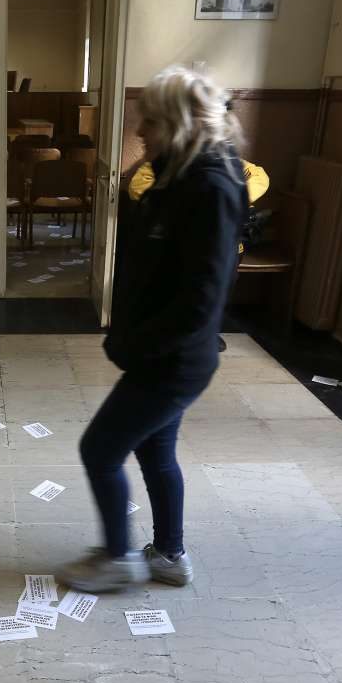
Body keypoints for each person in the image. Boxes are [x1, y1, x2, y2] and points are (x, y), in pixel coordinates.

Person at [57, 66, 250, 592]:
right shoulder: (178, 175)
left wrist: (136, 345)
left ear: (181, 124)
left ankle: (118, 560)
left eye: (151, 121)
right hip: (167, 355)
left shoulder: (210, 187)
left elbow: (200, 301)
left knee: (100, 450)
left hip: (171, 360)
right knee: (155, 451)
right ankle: (169, 555)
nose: (140, 131)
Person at [126, 141, 270, 352]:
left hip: (225, 245)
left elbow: (260, 177)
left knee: (217, 289)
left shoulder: (229, 163)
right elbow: (137, 187)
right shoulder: (167, 162)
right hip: (181, 243)